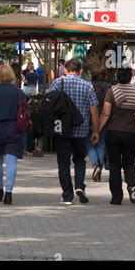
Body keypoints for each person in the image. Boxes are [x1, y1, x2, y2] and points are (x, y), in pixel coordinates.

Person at [49, 58, 99, 205]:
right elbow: (94, 110)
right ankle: (79, 186)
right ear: (80, 70)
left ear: (66, 70)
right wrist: (95, 130)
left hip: (62, 129)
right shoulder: (87, 86)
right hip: (81, 129)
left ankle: (67, 195)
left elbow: (49, 103)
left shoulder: (58, 83)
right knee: (79, 159)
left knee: (63, 163)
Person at [0, 64, 29, 205]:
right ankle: (9, 192)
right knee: (11, 161)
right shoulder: (18, 92)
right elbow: (26, 111)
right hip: (13, 128)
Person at [99, 67, 135, 204]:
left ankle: (116, 197)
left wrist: (97, 130)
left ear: (117, 77)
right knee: (130, 163)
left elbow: (106, 114)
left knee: (114, 165)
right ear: (131, 78)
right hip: (130, 134)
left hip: (113, 133)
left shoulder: (112, 91)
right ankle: (132, 186)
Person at [86, 67, 111, 182]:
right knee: (101, 144)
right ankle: (98, 168)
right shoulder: (108, 87)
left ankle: (96, 165)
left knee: (89, 143)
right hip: (104, 118)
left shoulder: (88, 86)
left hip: (89, 117)